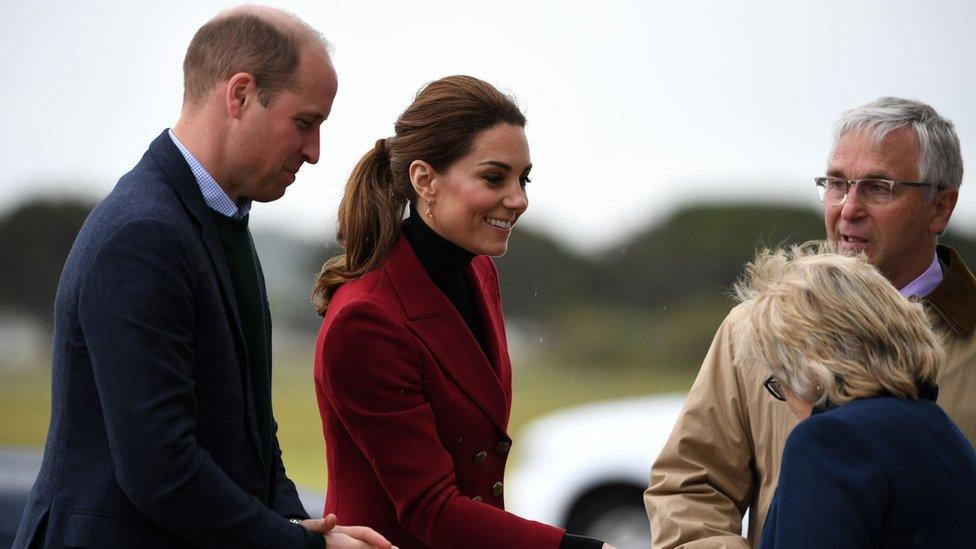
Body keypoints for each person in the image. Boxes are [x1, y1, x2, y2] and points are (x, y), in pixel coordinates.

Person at [13, 6, 391, 549]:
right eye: (304, 123)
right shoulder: (143, 234)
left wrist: (298, 525)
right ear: (239, 95)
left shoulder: (217, 219)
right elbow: (160, 469)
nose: (313, 152)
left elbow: (250, 432)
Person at [646, 96, 975, 547]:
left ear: (941, 207)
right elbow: (689, 488)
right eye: (837, 184)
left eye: (878, 187)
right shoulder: (752, 329)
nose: (848, 208)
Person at [311, 75, 613, 549]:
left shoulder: (478, 272)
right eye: (495, 177)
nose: (519, 199)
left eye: (523, 178)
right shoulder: (366, 320)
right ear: (424, 180)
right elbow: (429, 507)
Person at [733, 245, 976, 547]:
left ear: (809, 367)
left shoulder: (827, 441)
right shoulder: (944, 434)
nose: (787, 397)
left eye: (779, 381)